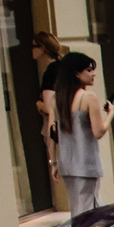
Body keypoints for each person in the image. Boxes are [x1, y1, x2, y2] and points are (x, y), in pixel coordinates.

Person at [53, 52, 112, 215]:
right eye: (88, 70)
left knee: (77, 209)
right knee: (89, 212)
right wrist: (110, 115)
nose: (93, 74)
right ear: (76, 73)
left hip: (67, 164)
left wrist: (53, 162)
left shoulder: (58, 99)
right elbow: (99, 131)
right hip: (86, 164)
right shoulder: (88, 97)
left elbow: (53, 134)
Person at [32, 33, 68, 189]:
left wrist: (38, 104)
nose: (31, 50)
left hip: (59, 131)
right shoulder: (65, 68)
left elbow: (50, 108)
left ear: (42, 49)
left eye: (34, 46)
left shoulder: (50, 73)